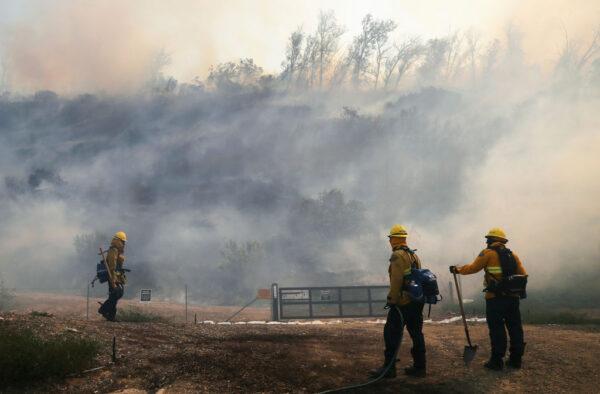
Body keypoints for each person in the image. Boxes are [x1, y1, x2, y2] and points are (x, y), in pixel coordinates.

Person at [450, 227, 527, 370]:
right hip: (513, 298)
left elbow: (473, 268)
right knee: (515, 327)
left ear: (491, 240)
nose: (486, 242)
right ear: (503, 241)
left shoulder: (487, 253)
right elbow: (523, 274)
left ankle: (497, 361)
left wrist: (457, 269)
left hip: (495, 299)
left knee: (497, 329)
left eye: (488, 239)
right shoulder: (513, 255)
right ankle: (516, 360)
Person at [369, 224, 426, 379]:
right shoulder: (414, 255)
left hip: (403, 303)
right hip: (416, 302)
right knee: (416, 334)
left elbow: (396, 281)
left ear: (393, 239)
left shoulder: (397, 256)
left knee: (391, 334)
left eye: (390, 238)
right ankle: (420, 367)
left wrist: (392, 300)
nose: (390, 241)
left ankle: (389, 369)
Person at [98, 231, 127, 321]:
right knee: (116, 294)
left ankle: (111, 316)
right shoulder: (113, 250)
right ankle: (103, 310)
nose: (124, 244)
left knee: (116, 295)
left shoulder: (117, 250)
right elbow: (112, 267)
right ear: (118, 241)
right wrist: (113, 279)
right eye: (123, 241)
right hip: (113, 277)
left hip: (117, 276)